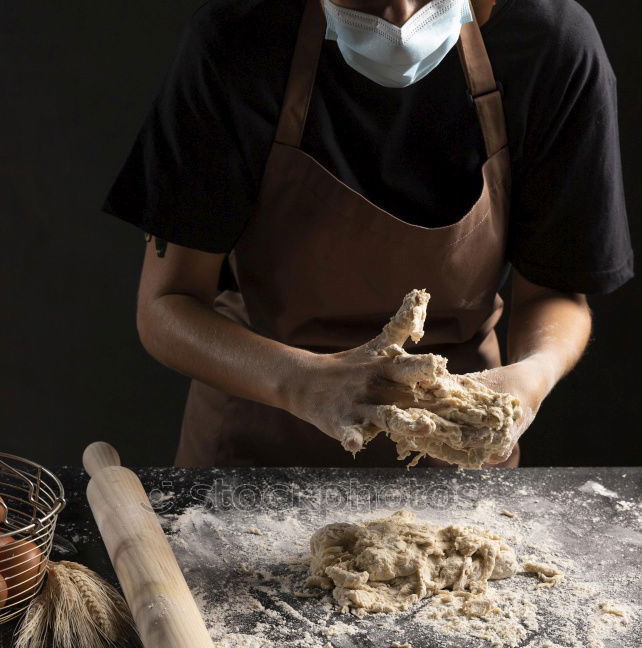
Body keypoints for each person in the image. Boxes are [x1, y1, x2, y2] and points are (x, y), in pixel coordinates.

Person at [103, 0, 633, 468]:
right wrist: (306, 382)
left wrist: (530, 381)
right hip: (256, 447)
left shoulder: (550, 46)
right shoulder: (239, 44)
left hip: (457, 458)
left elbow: (557, 291)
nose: (401, 14)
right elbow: (167, 306)